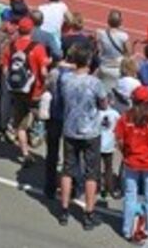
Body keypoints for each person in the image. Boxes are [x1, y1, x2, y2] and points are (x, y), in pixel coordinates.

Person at [55, 45, 107, 230]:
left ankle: (64, 209)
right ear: (89, 61)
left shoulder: (65, 79)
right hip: (90, 131)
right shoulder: (95, 83)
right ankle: (89, 213)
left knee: (68, 170)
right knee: (91, 173)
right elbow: (103, 104)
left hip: (70, 128)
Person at [116, 86, 148, 242]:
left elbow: (120, 141)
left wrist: (126, 153)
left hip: (132, 161)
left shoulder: (125, 118)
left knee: (130, 196)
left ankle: (127, 229)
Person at [5, 16, 50, 164]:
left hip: (18, 92)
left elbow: (6, 69)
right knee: (45, 118)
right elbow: (43, 73)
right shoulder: (38, 48)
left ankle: (25, 153)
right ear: (31, 29)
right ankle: (39, 135)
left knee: (21, 125)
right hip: (35, 92)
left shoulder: (11, 47)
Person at [96, 9, 129, 92]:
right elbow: (128, 53)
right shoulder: (124, 37)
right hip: (117, 69)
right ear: (120, 22)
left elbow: (97, 48)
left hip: (104, 66)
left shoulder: (101, 34)